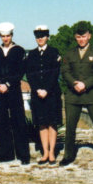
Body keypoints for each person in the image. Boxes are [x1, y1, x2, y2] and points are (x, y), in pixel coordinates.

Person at [60, 21, 93, 167]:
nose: (81, 39)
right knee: (70, 127)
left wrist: (85, 84)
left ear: (89, 36)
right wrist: (75, 83)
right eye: (78, 37)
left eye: (84, 36)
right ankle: (68, 155)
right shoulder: (69, 53)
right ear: (75, 38)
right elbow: (65, 71)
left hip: (92, 94)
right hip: (73, 94)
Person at [0, 22, 30, 165]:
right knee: (2, 122)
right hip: (0, 91)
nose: (5, 38)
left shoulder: (19, 50)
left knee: (18, 121)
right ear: (0, 36)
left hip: (13, 90)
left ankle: (23, 154)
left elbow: (20, 71)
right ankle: (4, 154)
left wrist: (7, 84)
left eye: (8, 36)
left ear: (12, 35)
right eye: (3, 36)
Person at [25, 25, 62, 165]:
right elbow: (29, 74)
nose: (40, 38)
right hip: (37, 94)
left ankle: (52, 152)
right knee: (41, 123)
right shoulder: (32, 54)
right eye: (37, 36)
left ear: (47, 37)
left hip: (51, 93)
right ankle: (44, 152)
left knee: (52, 123)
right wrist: (37, 89)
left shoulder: (54, 52)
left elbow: (55, 73)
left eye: (42, 36)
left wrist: (46, 89)